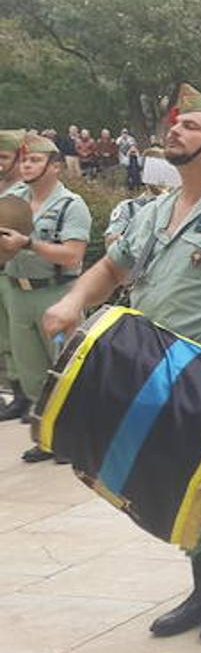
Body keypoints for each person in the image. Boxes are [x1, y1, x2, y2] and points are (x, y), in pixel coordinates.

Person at [42, 83, 201, 643]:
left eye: (190, 127)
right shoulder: (153, 211)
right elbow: (110, 269)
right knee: (179, 476)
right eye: (174, 125)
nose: (174, 131)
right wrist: (71, 301)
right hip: (147, 365)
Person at [0, 134, 91, 463]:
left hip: (55, 292)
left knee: (64, 368)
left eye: (35, 160)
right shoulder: (12, 199)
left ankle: (74, 436)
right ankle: (48, 438)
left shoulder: (70, 205)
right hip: (16, 292)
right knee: (31, 372)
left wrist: (28, 244)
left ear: (55, 167)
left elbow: (71, 254)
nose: (26, 165)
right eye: (23, 160)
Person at [0, 131, 27, 422]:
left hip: (15, 273)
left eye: (4, 157)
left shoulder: (25, 193)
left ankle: (30, 396)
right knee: (4, 338)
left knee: (22, 340)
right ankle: (17, 393)